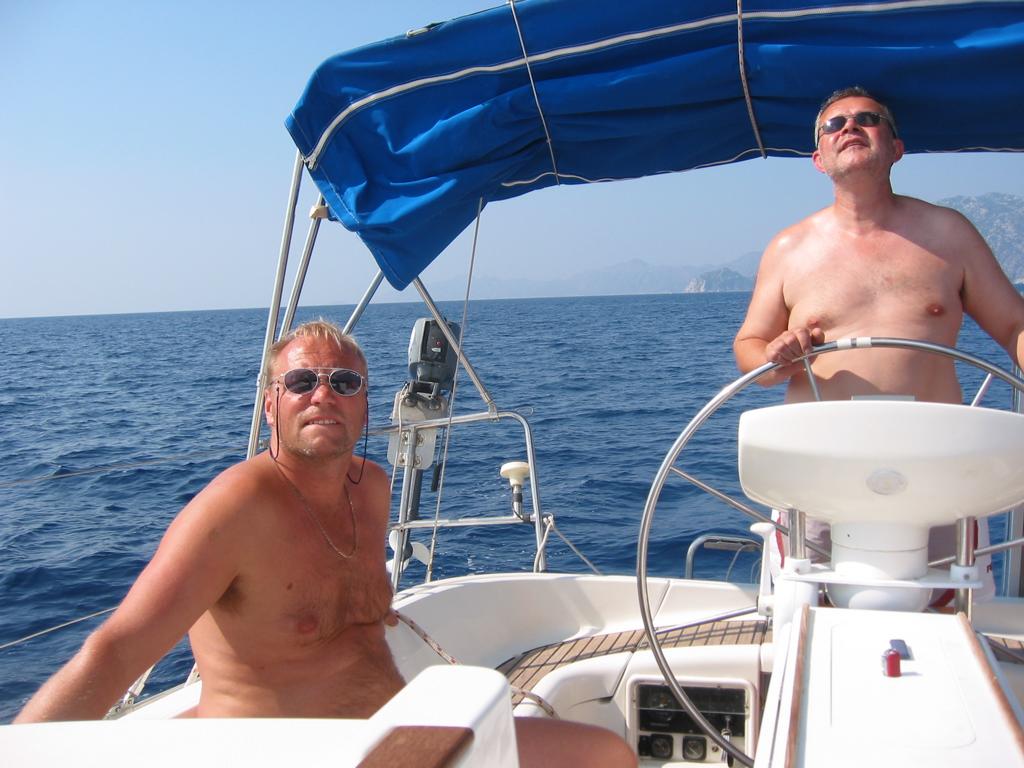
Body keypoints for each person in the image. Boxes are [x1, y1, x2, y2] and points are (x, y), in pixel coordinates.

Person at [16, 319, 636, 767]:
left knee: (604, 753)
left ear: (365, 407)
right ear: (270, 405)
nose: (323, 395)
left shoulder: (372, 488)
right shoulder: (233, 511)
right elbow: (114, 651)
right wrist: (21, 753)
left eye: (344, 382)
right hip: (287, 754)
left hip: (391, 731)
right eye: (300, 381)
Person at [733, 86, 1024, 595]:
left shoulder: (950, 234)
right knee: (806, 609)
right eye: (834, 124)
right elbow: (749, 346)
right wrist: (777, 358)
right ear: (818, 159)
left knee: (953, 608)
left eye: (868, 119)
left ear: (896, 147)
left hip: (939, 469)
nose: (849, 127)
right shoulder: (788, 248)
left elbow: (1014, 325)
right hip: (817, 470)